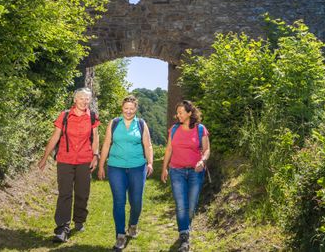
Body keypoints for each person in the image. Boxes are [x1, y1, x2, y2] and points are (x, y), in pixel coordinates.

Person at [38, 88, 100, 243]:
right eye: (81, 98)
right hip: (65, 159)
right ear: (75, 99)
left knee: (82, 193)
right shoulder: (65, 115)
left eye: (87, 99)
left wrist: (95, 156)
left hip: (85, 160)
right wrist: (45, 157)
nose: (84, 101)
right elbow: (55, 137)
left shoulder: (92, 117)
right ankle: (62, 228)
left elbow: (96, 138)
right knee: (65, 193)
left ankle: (79, 220)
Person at [98, 95, 154, 250]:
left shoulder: (141, 124)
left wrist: (150, 163)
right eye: (126, 108)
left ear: (136, 109)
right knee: (119, 201)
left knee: (136, 202)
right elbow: (106, 145)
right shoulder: (114, 123)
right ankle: (120, 235)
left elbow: (148, 145)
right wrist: (101, 165)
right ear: (122, 108)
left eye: (131, 108)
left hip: (137, 167)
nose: (128, 111)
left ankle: (133, 225)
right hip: (116, 167)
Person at [161, 100, 210, 250]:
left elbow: (207, 150)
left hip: (196, 172)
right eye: (177, 112)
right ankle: (184, 235)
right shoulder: (174, 129)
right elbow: (169, 149)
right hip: (176, 171)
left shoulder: (200, 129)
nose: (178, 115)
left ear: (190, 113)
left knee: (192, 204)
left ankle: (186, 227)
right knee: (181, 205)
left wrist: (202, 161)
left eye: (181, 112)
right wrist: (164, 169)